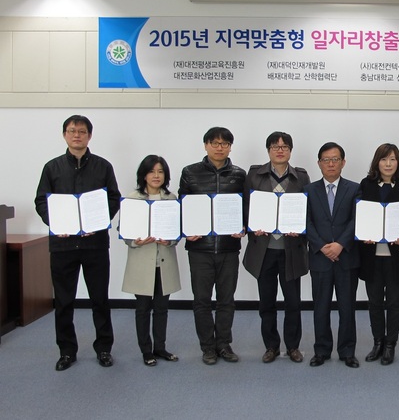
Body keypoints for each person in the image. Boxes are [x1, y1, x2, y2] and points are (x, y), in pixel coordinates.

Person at [34, 115, 121, 371]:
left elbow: (113, 199)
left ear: (89, 136)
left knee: (100, 299)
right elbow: (41, 201)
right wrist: (56, 223)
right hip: (62, 246)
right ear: (64, 135)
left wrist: (98, 222)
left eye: (82, 131)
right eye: (72, 131)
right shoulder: (52, 168)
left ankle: (104, 348)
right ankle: (66, 351)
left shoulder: (103, 167)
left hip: (95, 244)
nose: (77, 135)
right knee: (63, 301)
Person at [179, 127, 246, 365]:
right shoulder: (190, 172)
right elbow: (182, 206)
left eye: (224, 144)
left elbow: (245, 208)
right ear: (206, 145)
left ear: (230, 147)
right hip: (200, 249)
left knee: (226, 300)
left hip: (228, 248)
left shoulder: (239, 175)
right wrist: (186, 229)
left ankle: (224, 345)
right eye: (215, 143)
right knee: (202, 300)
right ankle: (207, 347)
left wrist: (244, 227)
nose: (220, 148)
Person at [243, 132, 310, 364]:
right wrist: (253, 226)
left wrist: (301, 228)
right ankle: (271, 346)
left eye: (284, 147)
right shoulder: (254, 175)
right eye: (275, 146)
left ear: (290, 150)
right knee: (267, 302)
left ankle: (293, 346)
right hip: (264, 250)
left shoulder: (301, 177)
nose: (280, 150)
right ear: (268, 150)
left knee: (293, 302)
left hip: (291, 250)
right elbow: (246, 207)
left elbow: (307, 209)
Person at [304, 142, 361, 368]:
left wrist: (340, 245)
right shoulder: (308, 190)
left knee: (347, 308)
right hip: (320, 258)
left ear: (343, 162)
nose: (330, 164)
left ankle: (347, 351)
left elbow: (356, 220)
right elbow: (306, 222)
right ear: (319, 163)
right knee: (321, 307)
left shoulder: (355, 189)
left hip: (346, 258)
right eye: (326, 160)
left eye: (335, 159)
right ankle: (321, 350)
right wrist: (322, 246)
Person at [121, 155, 181, 367]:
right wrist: (135, 241)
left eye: (160, 171)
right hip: (142, 263)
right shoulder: (132, 199)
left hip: (164, 262)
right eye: (152, 171)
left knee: (162, 308)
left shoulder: (171, 199)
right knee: (143, 308)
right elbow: (124, 231)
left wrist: (170, 240)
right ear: (143, 175)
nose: (156, 176)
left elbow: (178, 230)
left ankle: (160, 347)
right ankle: (146, 351)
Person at [359, 143, 399, 366]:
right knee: (374, 302)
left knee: (394, 302)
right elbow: (360, 214)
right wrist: (364, 233)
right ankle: (377, 342)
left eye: (393, 159)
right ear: (377, 162)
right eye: (384, 159)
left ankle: (391, 344)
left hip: (397, 256)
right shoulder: (366, 184)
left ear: (398, 162)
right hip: (371, 255)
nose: (388, 164)